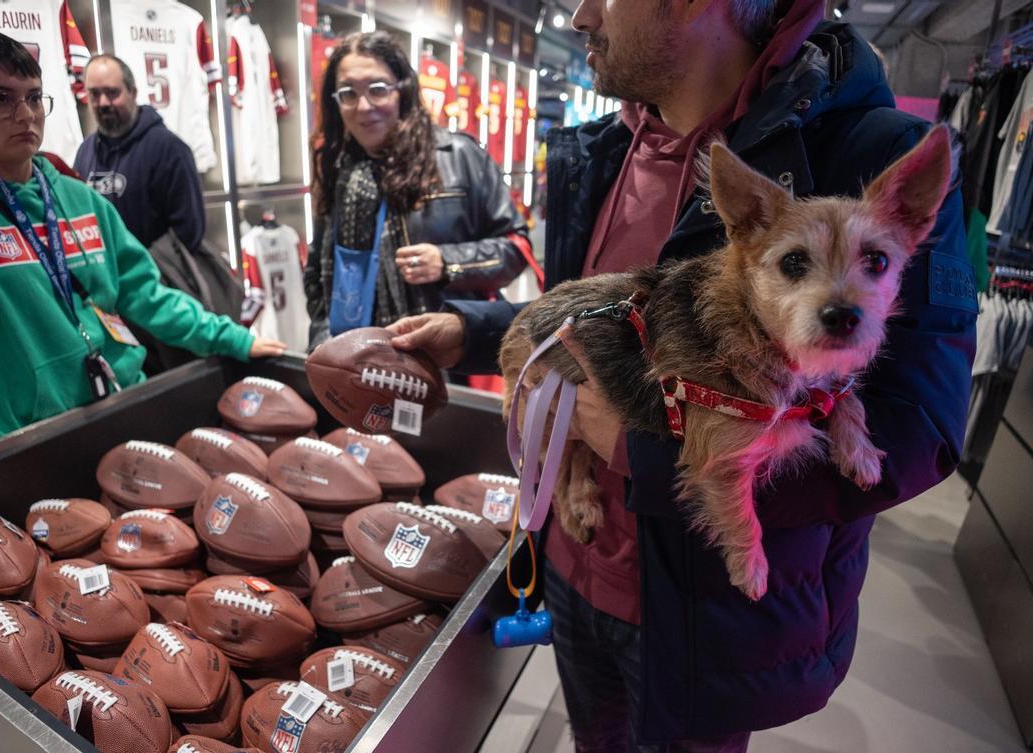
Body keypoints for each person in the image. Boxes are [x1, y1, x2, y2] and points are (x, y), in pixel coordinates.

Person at [388, 0, 976, 750]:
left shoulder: (870, 157)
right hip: (576, 561)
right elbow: (601, 320)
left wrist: (643, 455)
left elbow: (921, 430)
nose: (578, 17)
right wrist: (470, 332)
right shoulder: (607, 146)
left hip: (707, 618)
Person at [0, 29, 285, 518]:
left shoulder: (77, 198)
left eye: (33, 98)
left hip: (124, 419)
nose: (25, 115)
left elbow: (147, 295)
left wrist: (232, 338)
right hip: (33, 455)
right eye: (1, 99)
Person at [303, 31, 532, 350]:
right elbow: (317, 270)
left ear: (403, 91)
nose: (364, 106)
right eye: (348, 94)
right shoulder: (337, 167)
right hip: (355, 359)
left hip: (438, 357)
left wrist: (447, 262)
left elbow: (517, 248)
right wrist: (323, 337)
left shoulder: (458, 156)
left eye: (378, 90)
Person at [74, 54, 207, 255]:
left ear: (133, 92)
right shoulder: (86, 152)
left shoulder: (170, 150)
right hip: (104, 282)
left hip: (155, 282)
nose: (102, 102)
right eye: (94, 94)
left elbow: (188, 232)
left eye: (112, 93)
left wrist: (143, 275)